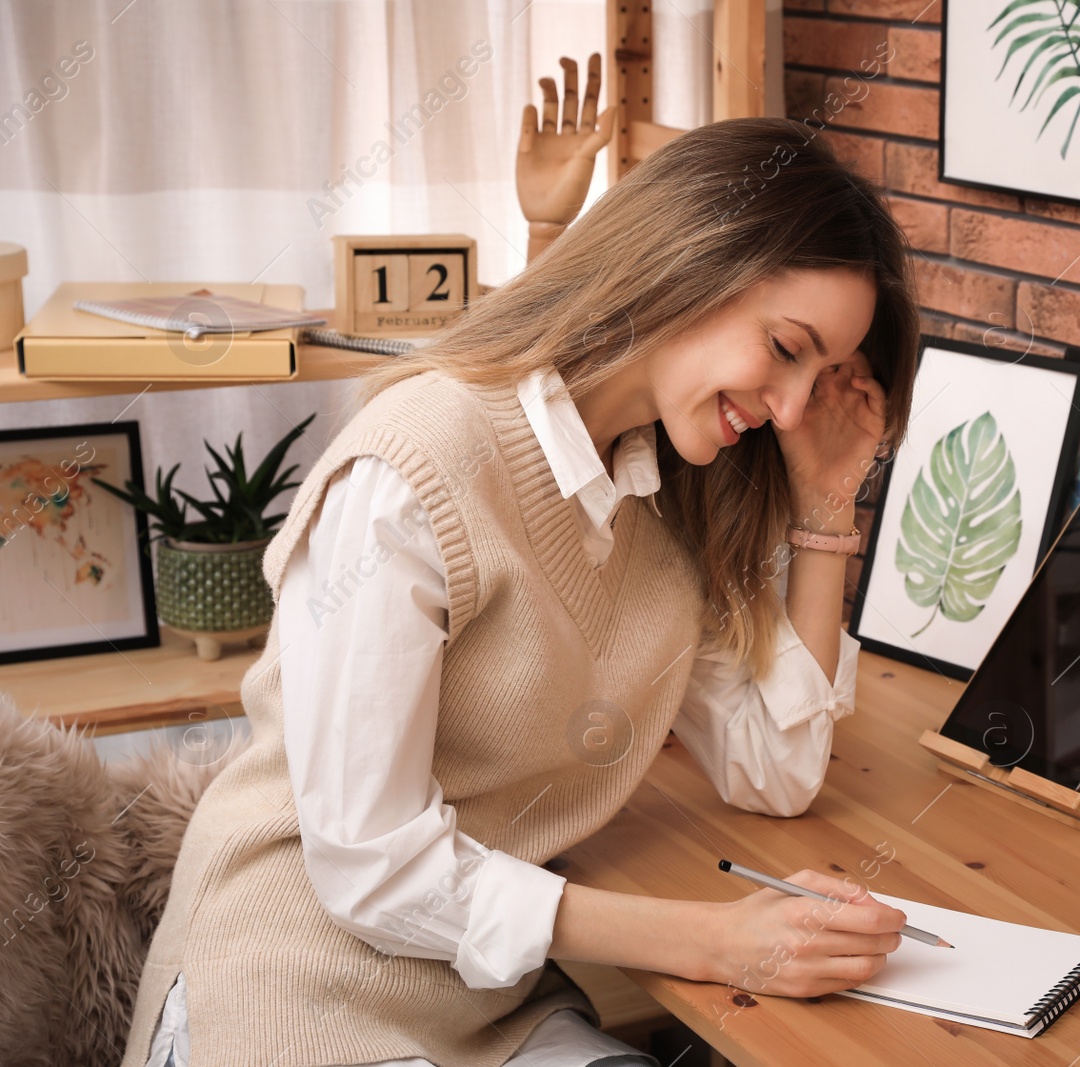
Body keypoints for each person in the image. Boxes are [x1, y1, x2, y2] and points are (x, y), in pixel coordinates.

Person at [120, 116, 922, 1067]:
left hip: (482, 1004)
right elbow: (372, 872)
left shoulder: (660, 503)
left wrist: (826, 504)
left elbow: (773, 770)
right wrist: (715, 939)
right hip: (283, 991)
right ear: (687, 265)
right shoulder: (415, 469)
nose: (792, 409)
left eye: (822, 375)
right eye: (786, 349)